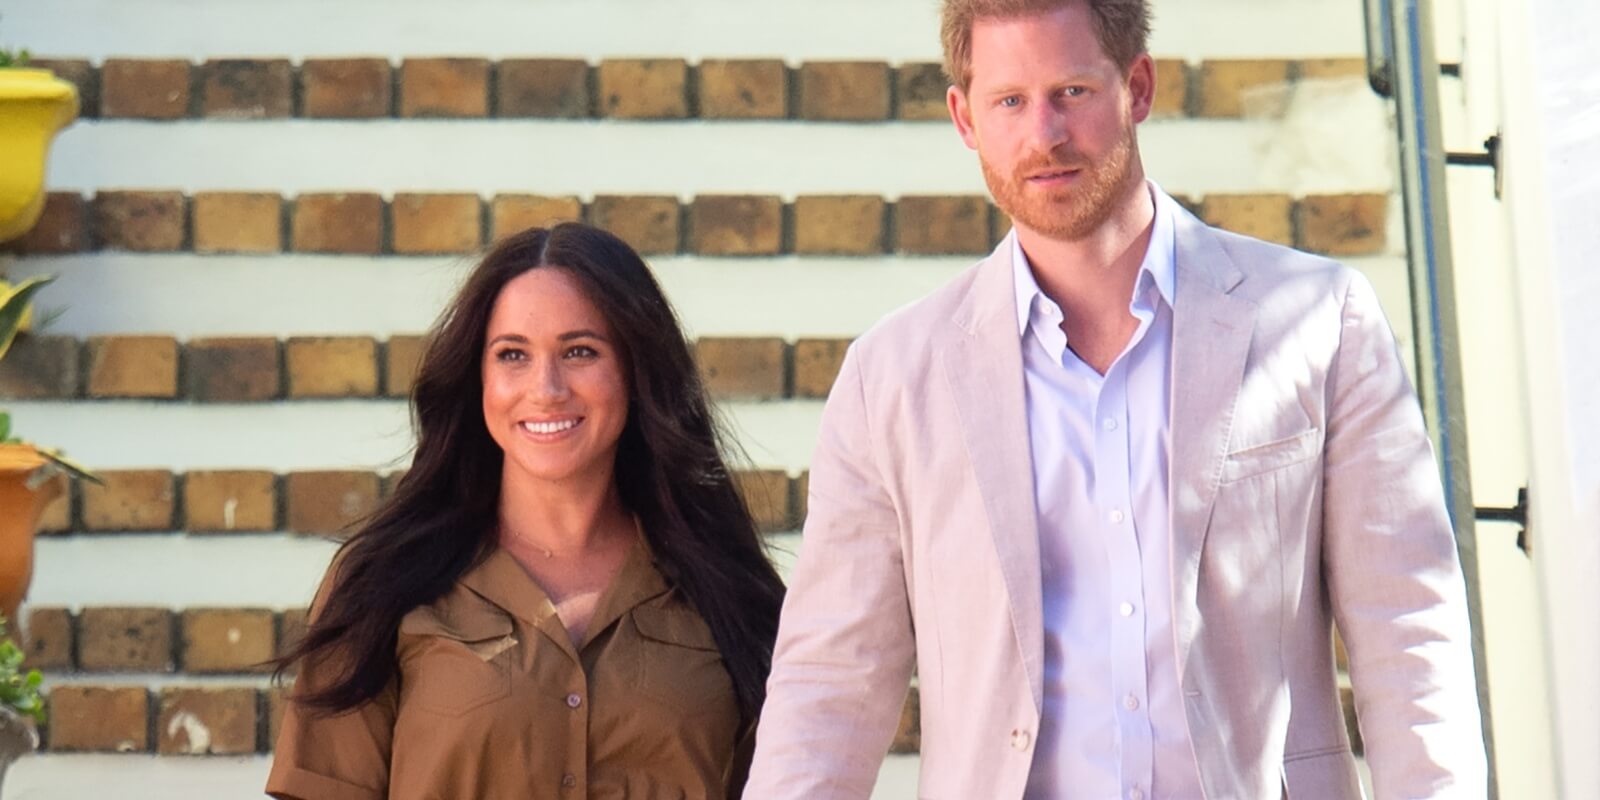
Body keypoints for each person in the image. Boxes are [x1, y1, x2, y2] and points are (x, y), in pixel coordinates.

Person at [743, 1, 1488, 797]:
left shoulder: (1318, 320)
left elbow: (1408, 629)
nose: (1044, 136)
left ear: (1137, 86)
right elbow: (830, 683)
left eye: (1071, 92)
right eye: (1010, 101)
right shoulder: (891, 378)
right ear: (964, 117)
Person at [267, 223, 785, 800]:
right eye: (512, 354)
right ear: (479, 378)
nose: (546, 388)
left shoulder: (724, 591)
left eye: (580, 351)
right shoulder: (381, 584)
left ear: (638, 373)